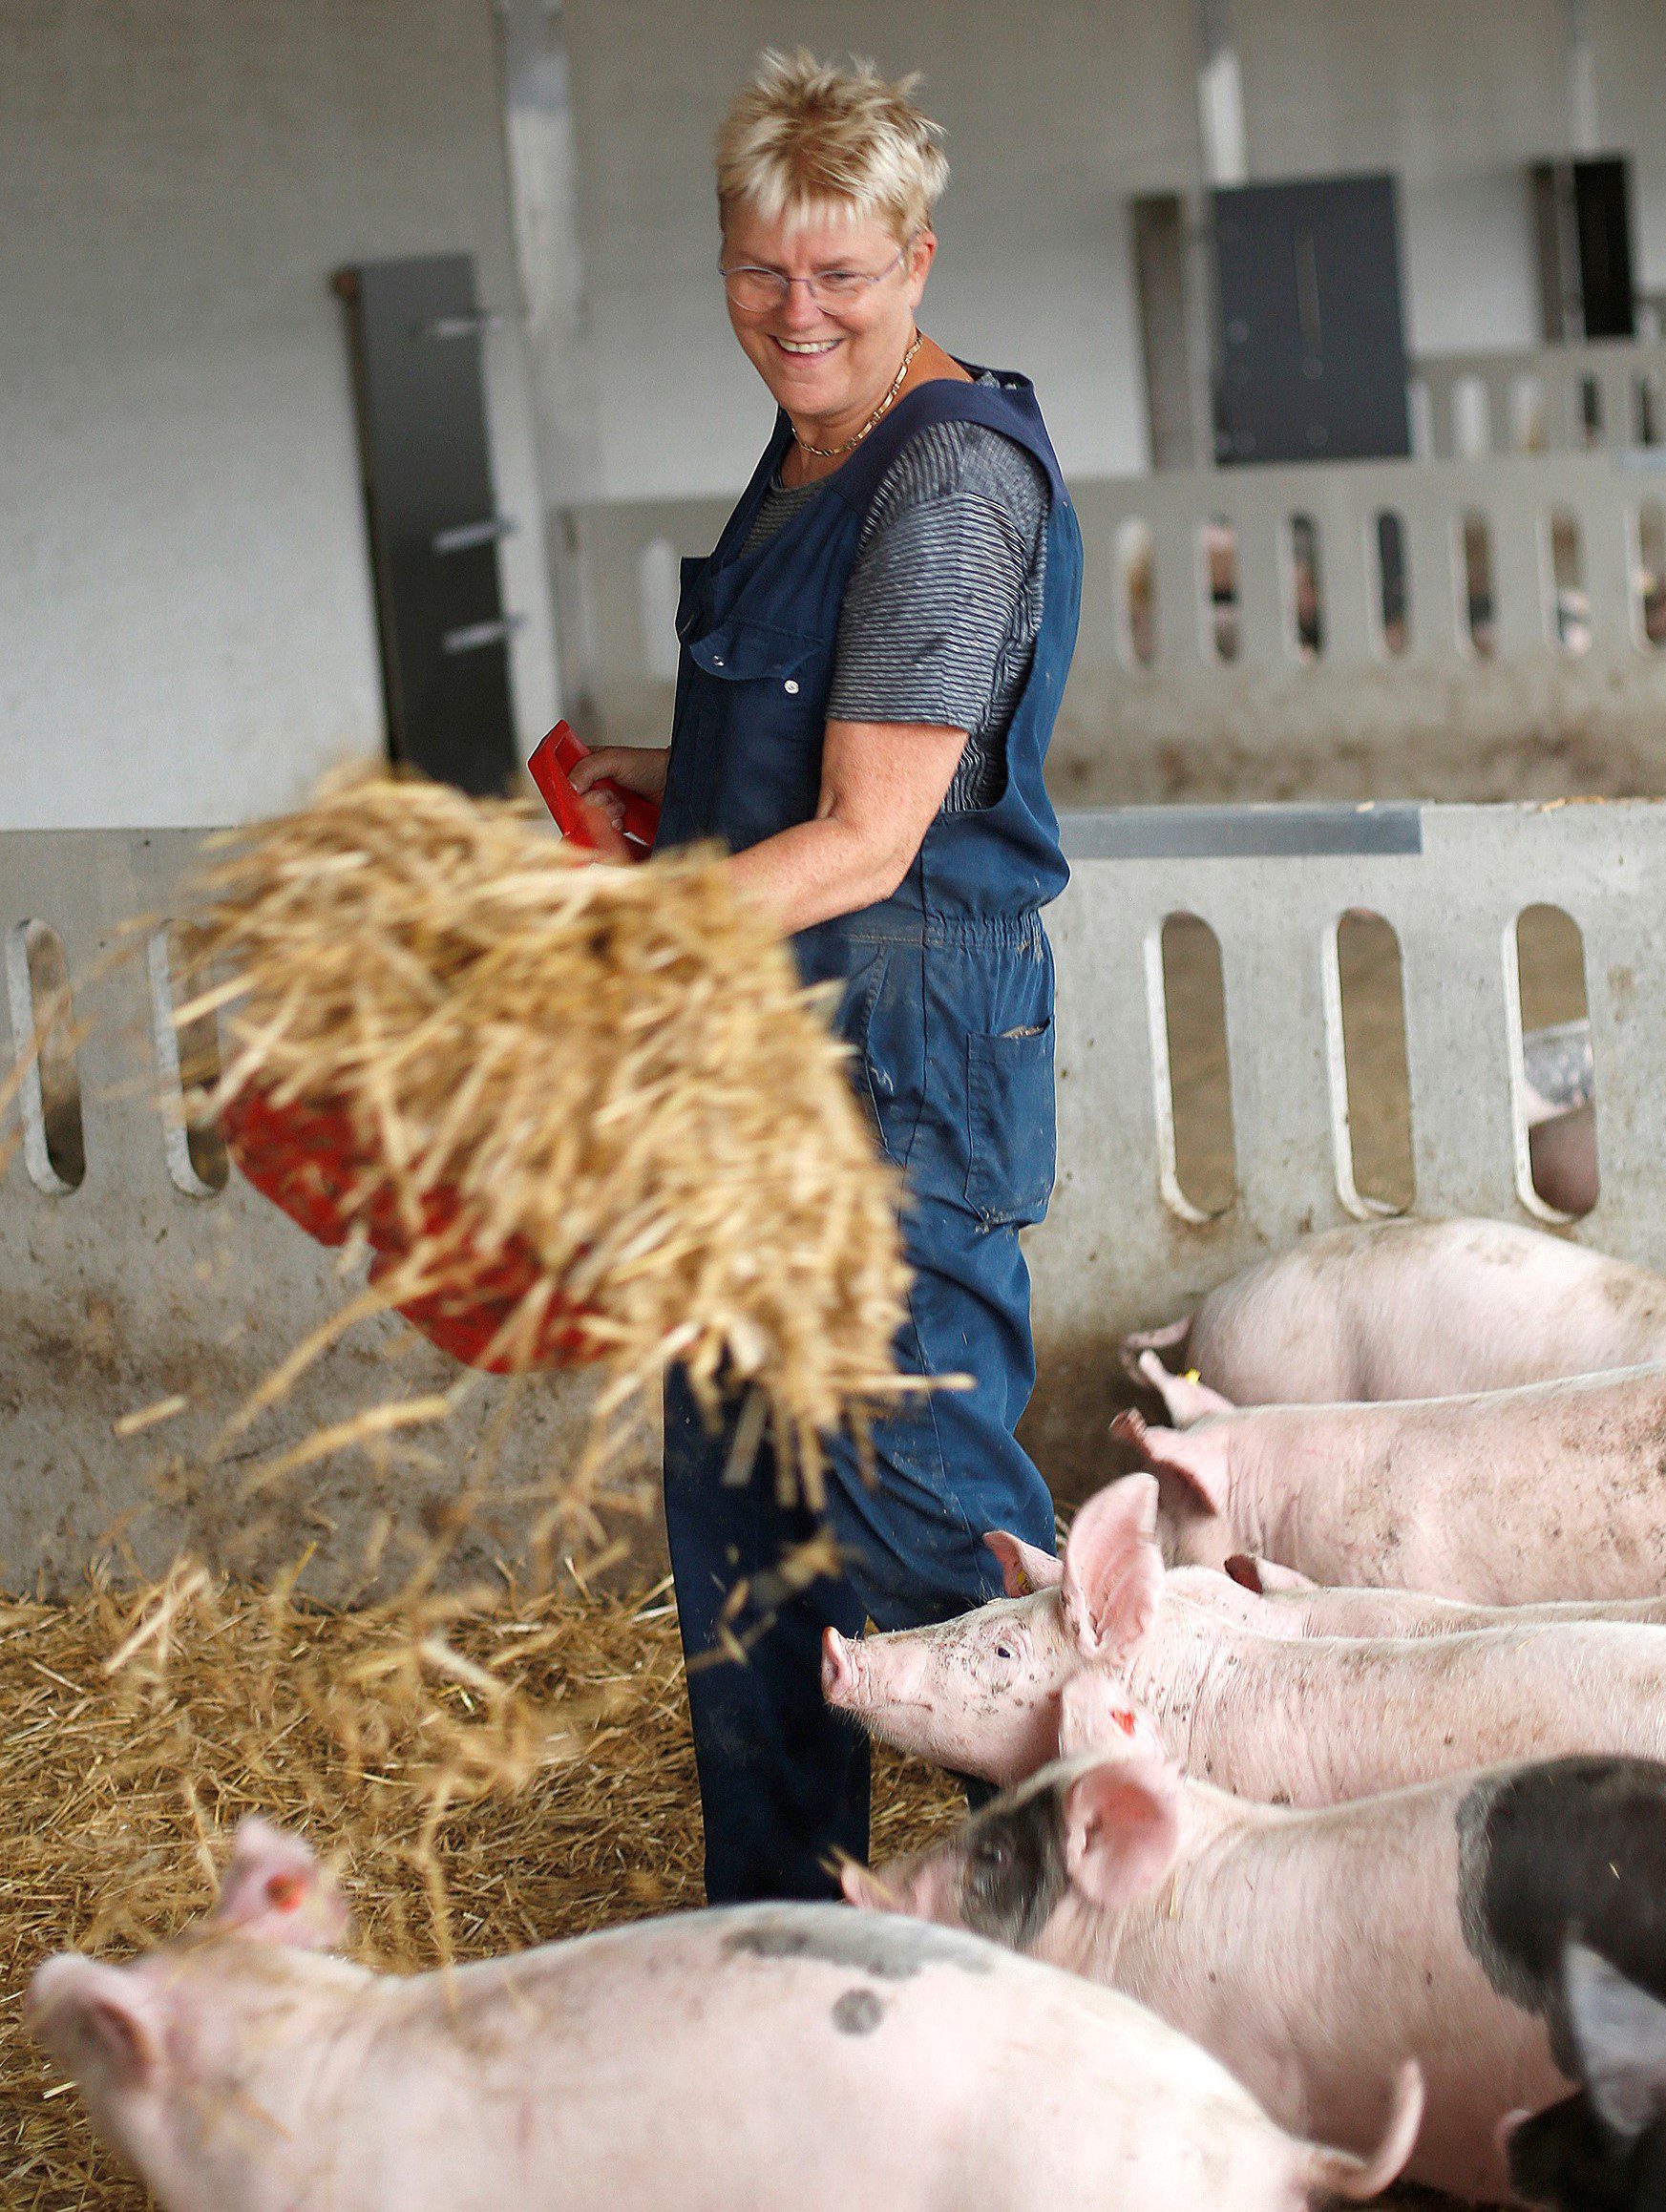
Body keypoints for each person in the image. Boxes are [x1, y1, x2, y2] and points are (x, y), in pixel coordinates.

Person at [570, 49, 1081, 1904]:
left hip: (897, 1036)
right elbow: (809, 753)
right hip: (760, 1036)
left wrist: (608, 951)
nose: (798, 313)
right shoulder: (811, 445)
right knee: (745, 1502)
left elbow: (871, 838)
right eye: (760, 274)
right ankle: (786, 1931)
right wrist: (663, 784)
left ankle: (1091, 1906)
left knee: (905, 1486)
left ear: (915, 263)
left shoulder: (942, 477)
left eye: (841, 276)